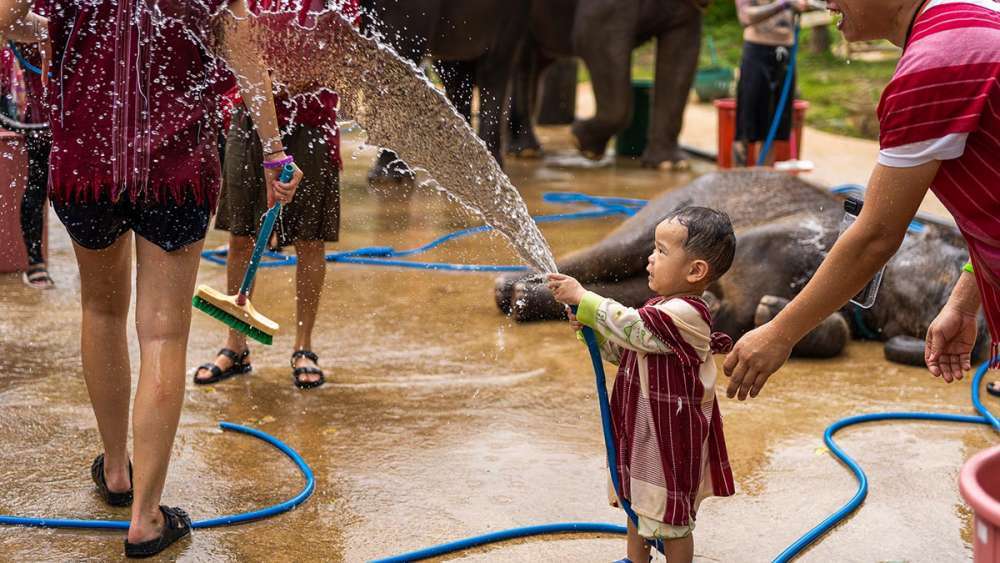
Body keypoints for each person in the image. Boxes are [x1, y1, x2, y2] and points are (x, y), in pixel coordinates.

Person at [0, 0, 302, 557]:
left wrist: (47, 28)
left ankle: (117, 469)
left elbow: (6, 16)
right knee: (163, 334)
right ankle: (146, 520)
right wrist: (275, 151)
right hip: (175, 168)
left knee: (102, 312)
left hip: (86, 162)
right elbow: (242, 44)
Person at [723, 0, 1000, 400]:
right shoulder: (974, 14)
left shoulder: (933, 69)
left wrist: (780, 332)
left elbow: (876, 235)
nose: (826, 2)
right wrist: (965, 300)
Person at [547, 207, 737, 563]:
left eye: (662, 252)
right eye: (654, 248)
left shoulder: (686, 314)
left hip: (669, 439)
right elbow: (628, 351)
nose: (650, 258)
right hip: (644, 432)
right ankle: (637, 560)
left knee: (671, 519)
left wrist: (585, 299)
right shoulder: (660, 307)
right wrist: (594, 334)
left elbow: (632, 327)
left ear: (696, 271)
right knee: (638, 501)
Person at [193, 0, 357, 390]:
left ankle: (304, 347)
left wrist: (270, 74)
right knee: (240, 236)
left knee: (310, 240)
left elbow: (335, 59)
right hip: (249, 120)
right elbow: (230, 43)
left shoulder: (336, 3)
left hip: (311, 124)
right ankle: (235, 345)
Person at [733, 0, 812, 166]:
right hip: (757, 50)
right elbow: (745, 16)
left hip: (786, 51)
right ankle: (737, 181)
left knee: (773, 127)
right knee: (747, 125)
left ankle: (764, 182)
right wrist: (784, 4)